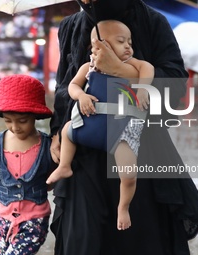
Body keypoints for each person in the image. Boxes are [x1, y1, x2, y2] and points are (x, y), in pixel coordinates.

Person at [49, 0, 198, 255]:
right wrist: (58, 131)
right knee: (83, 241)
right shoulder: (70, 26)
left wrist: (121, 70)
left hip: (139, 148)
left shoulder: (152, 21)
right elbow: (64, 84)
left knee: (141, 240)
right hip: (84, 153)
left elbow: (176, 82)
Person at [46, 20, 152, 231]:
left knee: (129, 174)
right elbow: (73, 86)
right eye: (121, 41)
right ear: (98, 46)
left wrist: (142, 89)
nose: (129, 46)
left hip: (121, 132)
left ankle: (123, 207)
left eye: (130, 41)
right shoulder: (89, 67)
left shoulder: (133, 65)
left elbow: (148, 68)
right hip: (90, 125)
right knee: (67, 131)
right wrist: (82, 96)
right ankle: (64, 166)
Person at [0, 74, 54, 255]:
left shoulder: (47, 145)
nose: (15, 127)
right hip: (3, 219)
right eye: (8, 120)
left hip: (35, 220)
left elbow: (50, 185)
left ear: (35, 116)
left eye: (22, 120)